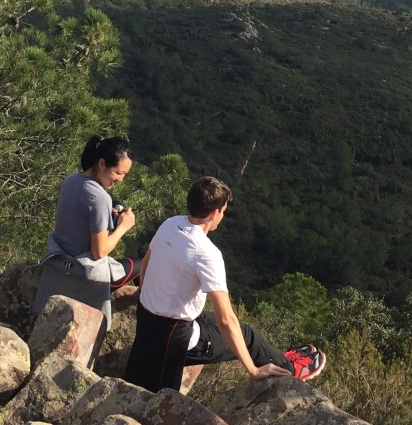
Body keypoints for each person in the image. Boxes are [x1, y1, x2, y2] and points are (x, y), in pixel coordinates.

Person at [124, 175, 325, 392]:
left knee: (231, 327)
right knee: (246, 335)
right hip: (173, 337)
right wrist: (253, 370)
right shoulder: (206, 253)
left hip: (148, 318)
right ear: (214, 213)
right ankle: (292, 369)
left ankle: (280, 359)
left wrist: (148, 297)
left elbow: (146, 262)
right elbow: (226, 320)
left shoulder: (170, 224)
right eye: (223, 211)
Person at [31, 135, 141, 325]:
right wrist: (122, 227)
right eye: (118, 172)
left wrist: (106, 216)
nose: (121, 179)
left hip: (58, 266)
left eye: (124, 174)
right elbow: (99, 252)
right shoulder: (100, 198)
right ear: (101, 163)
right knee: (145, 262)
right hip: (84, 276)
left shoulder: (71, 181)